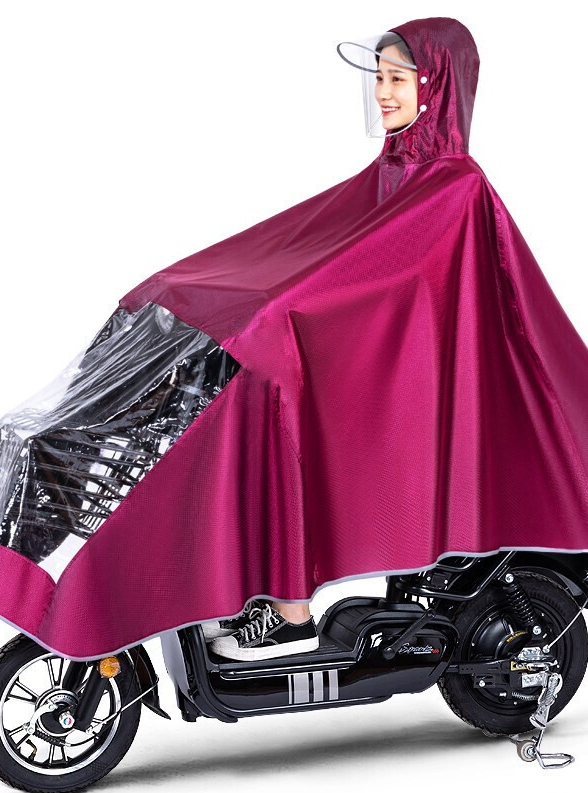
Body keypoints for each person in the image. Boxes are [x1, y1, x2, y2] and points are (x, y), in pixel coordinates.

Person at [202, 35, 419, 662]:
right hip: (361, 353)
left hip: (400, 374)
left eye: (398, 80)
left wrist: (284, 311)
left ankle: (292, 612)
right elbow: (314, 243)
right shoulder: (391, 173)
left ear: (436, 88)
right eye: (379, 78)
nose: (382, 93)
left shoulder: (456, 187)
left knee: (279, 415)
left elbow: (390, 280)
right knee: (245, 402)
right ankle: (264, 592)